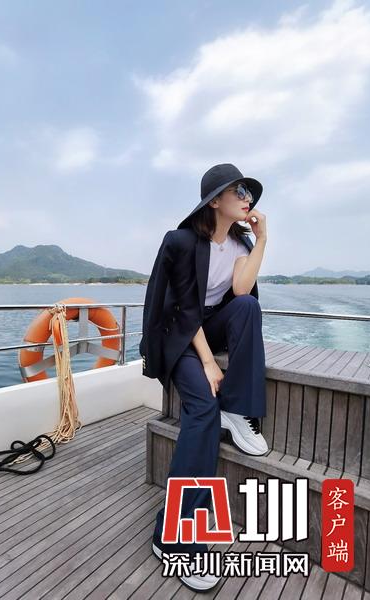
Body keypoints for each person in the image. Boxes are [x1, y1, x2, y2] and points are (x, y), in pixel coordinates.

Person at [140, 163, 268, 592]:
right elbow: (181, 308)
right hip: (178, 335)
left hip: (208, 326)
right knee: (202, 410)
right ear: (214, 201)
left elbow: (241, 292)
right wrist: (209, 362)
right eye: (238, 191)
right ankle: (172, 537)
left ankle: (239, 410)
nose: (247, 198)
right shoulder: (180, 242)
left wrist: (262, 240)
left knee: (248, 307)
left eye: (248, 191)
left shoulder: (239, 243)